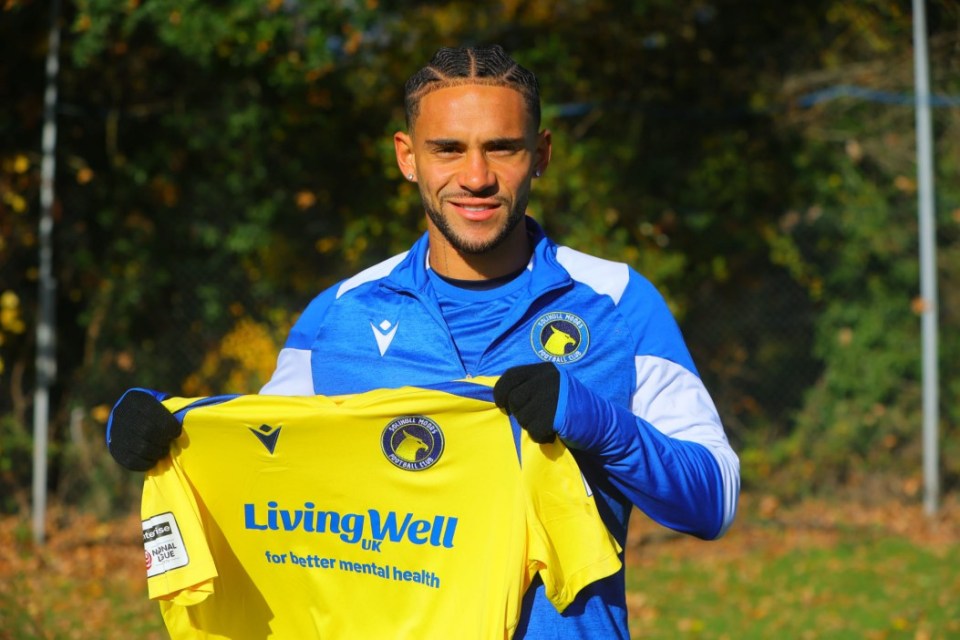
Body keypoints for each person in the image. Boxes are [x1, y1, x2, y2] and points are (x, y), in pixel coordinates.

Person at [108, 45, 740, 639]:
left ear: (541, 154)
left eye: (503, 148)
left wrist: (595, 421)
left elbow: (714, 500)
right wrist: (167, 431)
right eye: (448, 149)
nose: (476, 176)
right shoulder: (340, 316)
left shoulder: (619, 303)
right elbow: (268, 466)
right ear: (407, 157)